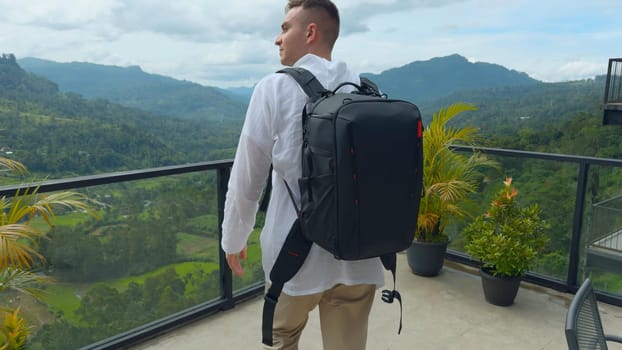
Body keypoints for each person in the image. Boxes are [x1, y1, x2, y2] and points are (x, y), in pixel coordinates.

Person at [221, 1, 384, 349]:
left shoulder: (274, 88)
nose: (277, 39)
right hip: (359, 254)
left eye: (284, 28)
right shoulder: (363, 89)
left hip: (294, 256)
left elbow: (248, 177)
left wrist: (233, 238)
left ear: (309, 32)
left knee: (283, 337)